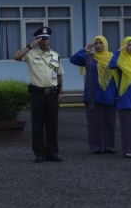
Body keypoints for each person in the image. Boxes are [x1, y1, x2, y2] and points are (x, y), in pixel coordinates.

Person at [14, 26, 64, 163]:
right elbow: (16, 56)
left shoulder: (55, 55)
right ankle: (40, 153)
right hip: (37, 94)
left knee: (52, 125)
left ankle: (52, 152)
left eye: (46, 39)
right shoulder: (31, 54)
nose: (44, 41)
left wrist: (60, 91)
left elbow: (59, 75)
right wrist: (31, 45)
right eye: (41, 39)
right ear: (38, 40)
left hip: (52, 93)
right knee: (38, 124)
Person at [69, 35, 118, 154]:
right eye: (96, 43)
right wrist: (84, 50)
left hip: (109, 94)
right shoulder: (89, 58)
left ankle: (109, 146)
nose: (98, 45)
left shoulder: (112, 58)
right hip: (92, 95)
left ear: (105, 44)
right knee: (94, 123)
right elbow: (74, 60)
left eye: (100, 43)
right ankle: (96, 147)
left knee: (109, 122)